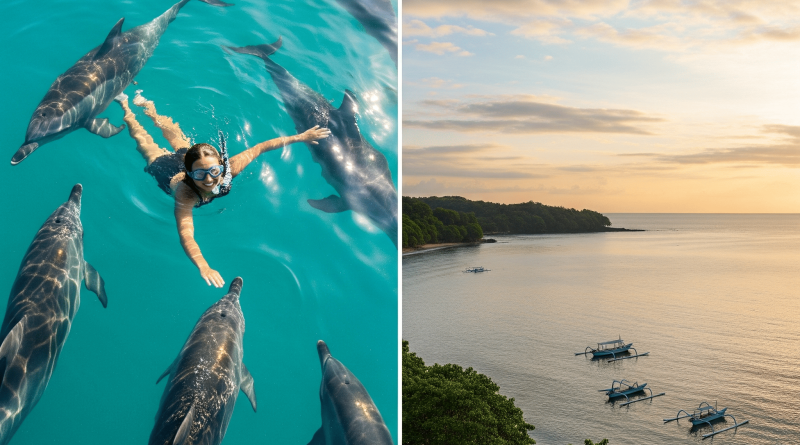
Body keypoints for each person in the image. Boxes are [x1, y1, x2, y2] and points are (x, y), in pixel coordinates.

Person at [114, 90, 330, 287]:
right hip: (166, 170)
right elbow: (186, 234)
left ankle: (146, 104)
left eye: (214, 172)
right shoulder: (186, 194)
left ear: (220, 166)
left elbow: (260, 147)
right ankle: (126, 106)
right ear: (190, 174)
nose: (209, 180)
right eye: (200, 175)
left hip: (191, 159)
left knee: (174, 134)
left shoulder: (228, 168)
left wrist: (300, 137)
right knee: (143, 139)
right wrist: (203, 265)